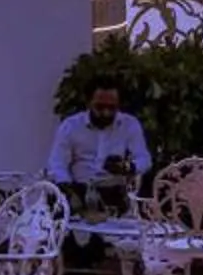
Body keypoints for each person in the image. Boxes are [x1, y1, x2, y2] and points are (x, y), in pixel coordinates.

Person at [47, 83, 151, 217]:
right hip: (78, 191)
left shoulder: (129, 124)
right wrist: (66, 188)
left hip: (113, 194)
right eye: (100, 107)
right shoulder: (71, 126)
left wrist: (127, 167)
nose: (106, 113)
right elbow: (57, 163)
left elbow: (145, 159)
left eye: (112, 108)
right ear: (88, 103)